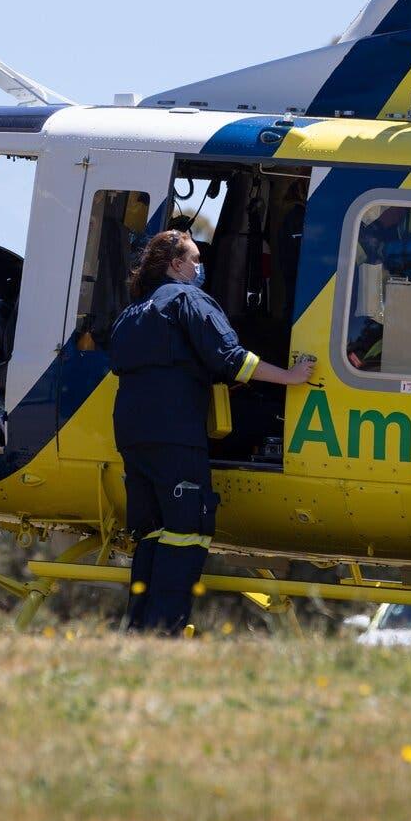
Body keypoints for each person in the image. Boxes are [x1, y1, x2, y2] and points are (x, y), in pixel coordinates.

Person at [108, 229, 313, 635]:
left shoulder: (132, 312)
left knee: (150, 533)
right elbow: (233, 359)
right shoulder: (188, 300)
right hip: (175, 435)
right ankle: (164, 633)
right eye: (195, 260)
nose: (200, 268)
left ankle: (137, 632)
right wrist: (290, 377)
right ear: (176, 265)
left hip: (133, 436)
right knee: (187, 532)